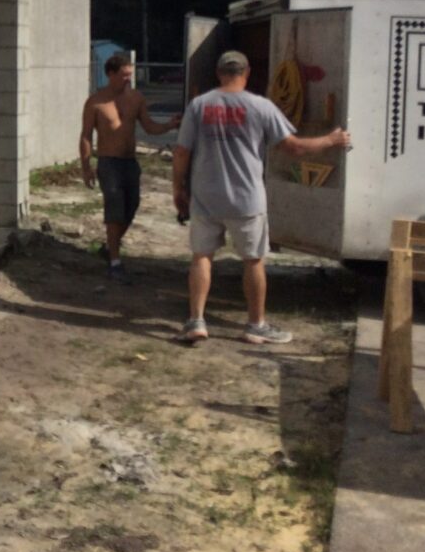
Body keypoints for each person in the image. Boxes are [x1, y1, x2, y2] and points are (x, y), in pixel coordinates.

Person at [172, 50, 351, 344]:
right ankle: (255, 326)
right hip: (246, 199)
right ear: (247, 72)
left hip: (206, 196)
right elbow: (294, 148)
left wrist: (178, 188)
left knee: (202, 256)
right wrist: (332, 140)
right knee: (253, 260)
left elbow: (181, 151)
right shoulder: (260, 106)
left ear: (219, 73)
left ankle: (196, 322)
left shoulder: (199, 106)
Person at [79, 52, 181, 284]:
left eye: (130, 75)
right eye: (124, 75)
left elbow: (149, 126)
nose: (128, 79)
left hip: (129, 161)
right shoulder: (96, 102)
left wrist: (169, 126)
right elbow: (86, 135)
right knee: (114, 209)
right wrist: (86, 166)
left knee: (131, 206)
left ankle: (110, 246)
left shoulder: (136, 98)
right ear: (110, 74)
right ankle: (115, 261)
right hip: (108, 161)